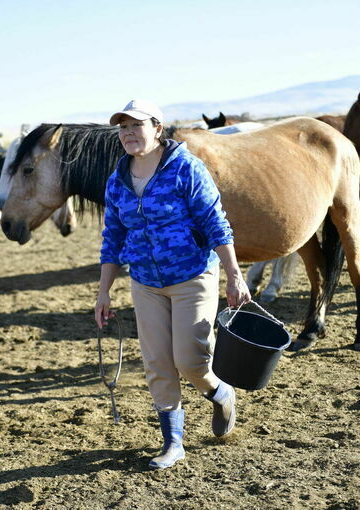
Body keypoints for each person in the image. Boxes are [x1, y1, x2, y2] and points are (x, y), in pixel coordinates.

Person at [94, 99, 251, 470]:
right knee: (157, 363)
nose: (128, 133)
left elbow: (216, 222)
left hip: (192, 276)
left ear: (157, 129)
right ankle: (173, 442)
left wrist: (234, 274)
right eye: (122, 127)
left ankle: (220, 392)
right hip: (145, 282)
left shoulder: (186, 168)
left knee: (191, 361)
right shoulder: (117, 180)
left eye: (137, 125)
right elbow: (112, 238)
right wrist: (103, 292)